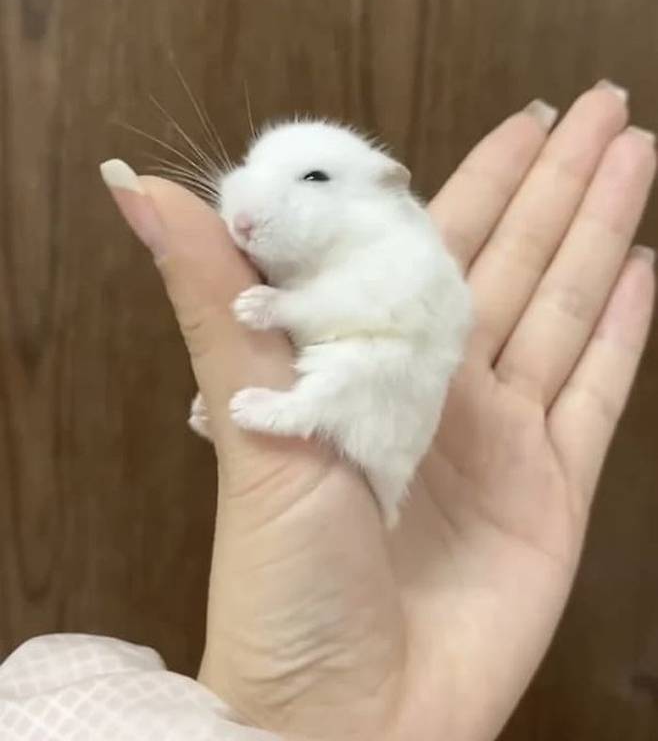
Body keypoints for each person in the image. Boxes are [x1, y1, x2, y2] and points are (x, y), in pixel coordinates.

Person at [2, 82, 654, 741]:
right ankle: (282, 411)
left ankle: (300, 412)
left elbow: (375, 314)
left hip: (378, 380)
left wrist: (290, 310)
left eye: (312, 178)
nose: (249, 203)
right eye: (254, 166)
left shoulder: (405, 256)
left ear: (387, 190)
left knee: (360, 367)